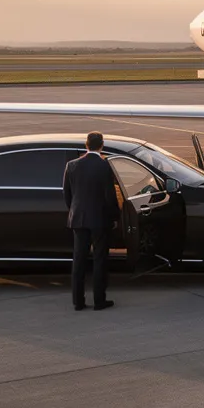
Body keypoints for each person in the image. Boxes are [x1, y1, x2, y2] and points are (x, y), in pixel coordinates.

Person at [63, 132, 120, 311]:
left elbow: (67, 194)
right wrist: (114, 217)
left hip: (78, 218)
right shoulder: (104, 166)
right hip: (99, 219)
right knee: (99, 259)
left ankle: (78, 302)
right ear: (101, 145)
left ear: (86, 145)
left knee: (79, 260)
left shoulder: (72, 165)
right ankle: (99, 300)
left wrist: (75, 211)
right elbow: (110, 196)